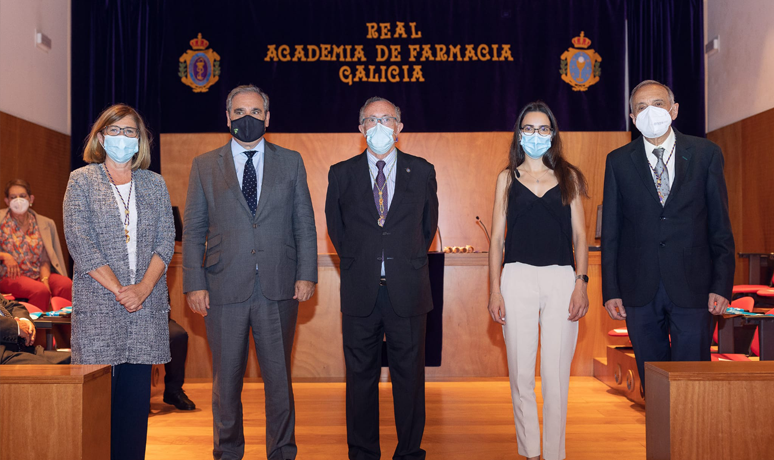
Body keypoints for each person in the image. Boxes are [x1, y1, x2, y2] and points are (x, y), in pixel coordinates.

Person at [182, 84, 317, 460]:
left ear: (267, 118)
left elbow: (304, 223)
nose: (247, 118)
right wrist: (194, 283)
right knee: (226, 383)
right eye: (239, 112)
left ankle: (282, 453)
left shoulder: (291, 162)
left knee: (279, 382)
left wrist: (307, 273)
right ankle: (227, 452)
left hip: (279, 287)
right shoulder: (204, 165)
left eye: (255, 112)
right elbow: (193, 230)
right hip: (222, 288)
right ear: (227, 117)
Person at [601, 80, 735, 391]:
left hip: (695, 287)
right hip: (639, 289)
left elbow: (720, 225)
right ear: (632, 118)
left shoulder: (705, 153)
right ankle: (659, 425)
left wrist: (721, 284)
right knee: (654, 385)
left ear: (674, 110)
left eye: (658, 104)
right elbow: (611, 232)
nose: (650, 112)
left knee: (693, 384)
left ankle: (693, 427)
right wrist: (611, 290)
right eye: (641, 107)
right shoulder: (618, 161)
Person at [325, 96, 439, 460]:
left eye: (386, 119)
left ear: (399, 127)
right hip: (360, 291)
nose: (379, 126)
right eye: (371, 120)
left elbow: (427, 228)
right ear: (360, 128)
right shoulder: (340, 173)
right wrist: (364, 262)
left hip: (409, 289)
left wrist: (401, 259)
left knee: (410, 379)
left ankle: (409, 453)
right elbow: (336, 230)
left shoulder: (422, 171)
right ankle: (362, 453)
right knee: (360, 379)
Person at [63, 103, 175, 460]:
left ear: (140, 140)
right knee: (98, 415)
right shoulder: (81, 180)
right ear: (100, 137)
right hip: (99, 308)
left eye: (130, 131)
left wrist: (142, 289)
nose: (122, 137)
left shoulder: (154, 184)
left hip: (145, 310)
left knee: (134, 413)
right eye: (114, 130)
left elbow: (165, 241)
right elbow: (80, 241)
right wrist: (120, 290)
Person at [487, 101, 590, 460]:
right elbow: (496, 240)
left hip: (562, 279)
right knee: (520, 375)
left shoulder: (569, 177)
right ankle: (530, 451)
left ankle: (555, 453)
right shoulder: (506, 179)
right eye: (529, 128)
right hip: (516, 279)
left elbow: (580, 236)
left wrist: (581, 283)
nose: (536, 135)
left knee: (556, 375)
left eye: (543, 129)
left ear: (553, 134)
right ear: (519, 134)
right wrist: (494, 290)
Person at [0, 179, 72, 310]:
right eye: (13, 197)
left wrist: (45, 280)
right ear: (7, 201)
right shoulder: (2, 220)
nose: (18, 200)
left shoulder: (44, 223)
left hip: (38, 274)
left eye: (22, 196)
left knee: (66, 285)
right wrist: (4, 256)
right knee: (40, 291)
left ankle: (68, 323)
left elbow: (45, 259)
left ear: (31, 198)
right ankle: (32, 323)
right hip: (10, 276)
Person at [0, 295, 70, 364]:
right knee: (54, 369)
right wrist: (17, 326)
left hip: (25, 349)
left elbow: (13, 306)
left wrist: (24, 320)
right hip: (4, 355)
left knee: (73, 360)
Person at [162, 317, 196, 410]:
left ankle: (173, 390)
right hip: (131, 320)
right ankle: (139, 393)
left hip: (159, 318)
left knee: (177, 335)